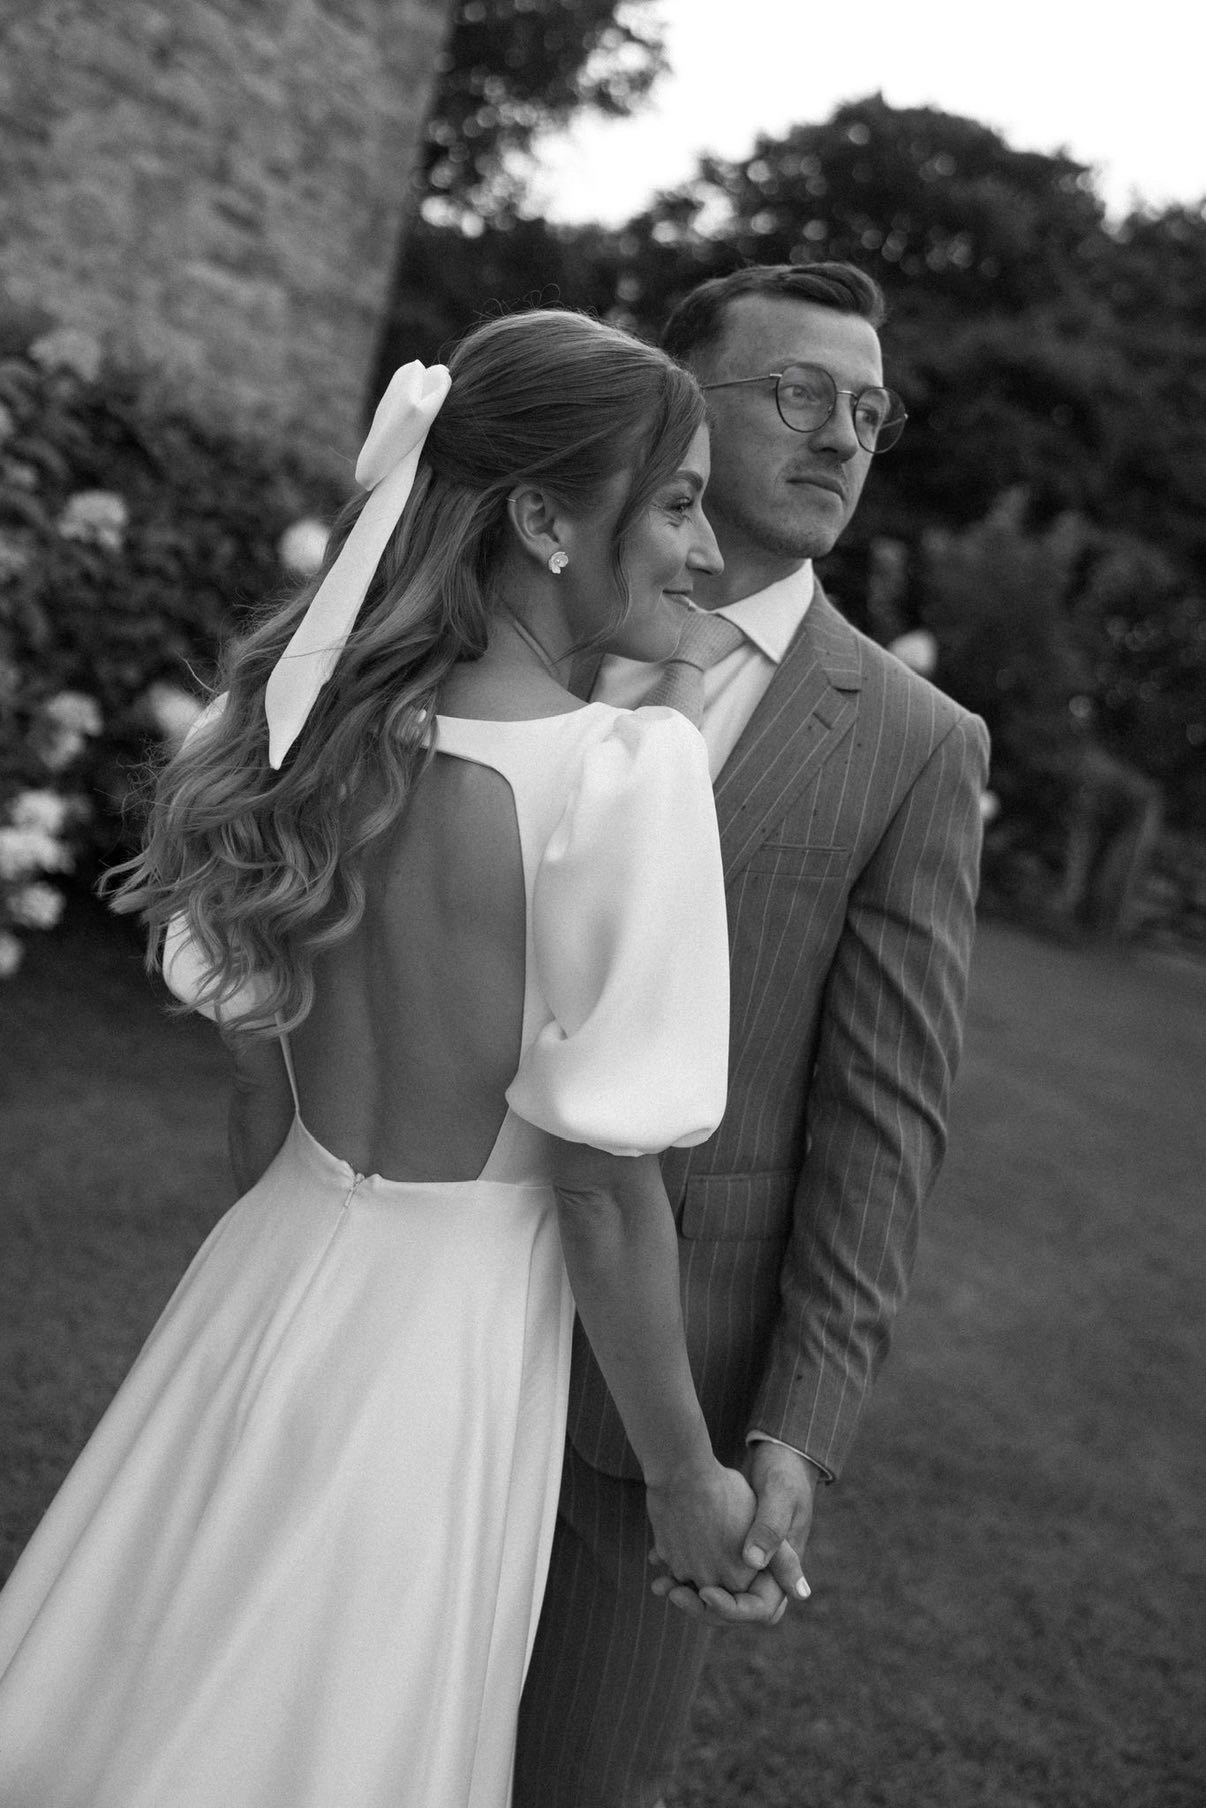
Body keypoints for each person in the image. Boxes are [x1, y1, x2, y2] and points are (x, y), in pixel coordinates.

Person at [0, 310, 758, 1808]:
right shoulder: (623, 778)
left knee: (155, 1671)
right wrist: (688, 1476)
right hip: (441, 1346)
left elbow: (256, 1093)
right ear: (541, 519)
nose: (706, 550)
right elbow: (604, 1197)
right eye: (677, 503)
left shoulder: (303, 741)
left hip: (261, 1275)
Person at [514, 264, 992, 1807]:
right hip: (416, 1306)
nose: (840, 436)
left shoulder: (914, 744)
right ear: (682, 402)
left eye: (868, 411)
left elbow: (882, 1118)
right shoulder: (522, 623)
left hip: (664, 1385)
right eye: (797, 394)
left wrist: (797, 1423)